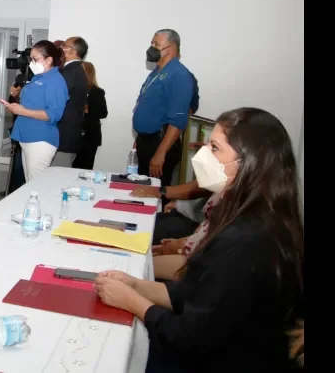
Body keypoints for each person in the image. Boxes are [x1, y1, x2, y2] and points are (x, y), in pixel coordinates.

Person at [93, 108, 304, 372]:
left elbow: (189, 337)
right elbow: (199, 294)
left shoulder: (245, 240)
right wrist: (136, 284)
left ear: (250, 163)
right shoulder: (256, 218)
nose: (203, 156)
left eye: (214, 148)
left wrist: (134, 303)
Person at [132, 29, 194, 185]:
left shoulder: (179, 75)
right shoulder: (157, 72)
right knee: (141, 190)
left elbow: (177, 121)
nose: (151, 48)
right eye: (151, 43)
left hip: (160, 143)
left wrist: (160, 153)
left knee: (156, 195)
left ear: (170, 49)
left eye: (156, 44)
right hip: (146, 141)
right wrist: (139, 140)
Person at [2, 41, 68, 181]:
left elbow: (53, 115)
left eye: (35, 59)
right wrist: (15, 104)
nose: (31, 63)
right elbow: (33, 103)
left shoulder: (55, 81)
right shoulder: (39, 77)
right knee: (30, 183)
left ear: (49, 60)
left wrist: (23, 111)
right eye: (30, 59)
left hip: (40, 138)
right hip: (27, 136)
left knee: (36, 185)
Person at [50, 36, 89, 168]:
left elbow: (54, 98)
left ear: (72, 51)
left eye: (64, 46)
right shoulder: (72, 70)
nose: (60, 48)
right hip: (65, 135)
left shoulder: (71, 72)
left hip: (64, 136)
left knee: (56, 179)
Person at [72, 61, 108, 170]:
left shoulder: (97, 92)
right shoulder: (72, 89)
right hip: (73, 136)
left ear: (88, 73)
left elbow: (103, 113)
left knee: (85, 168)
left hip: (90, 137)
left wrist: (88, 109)